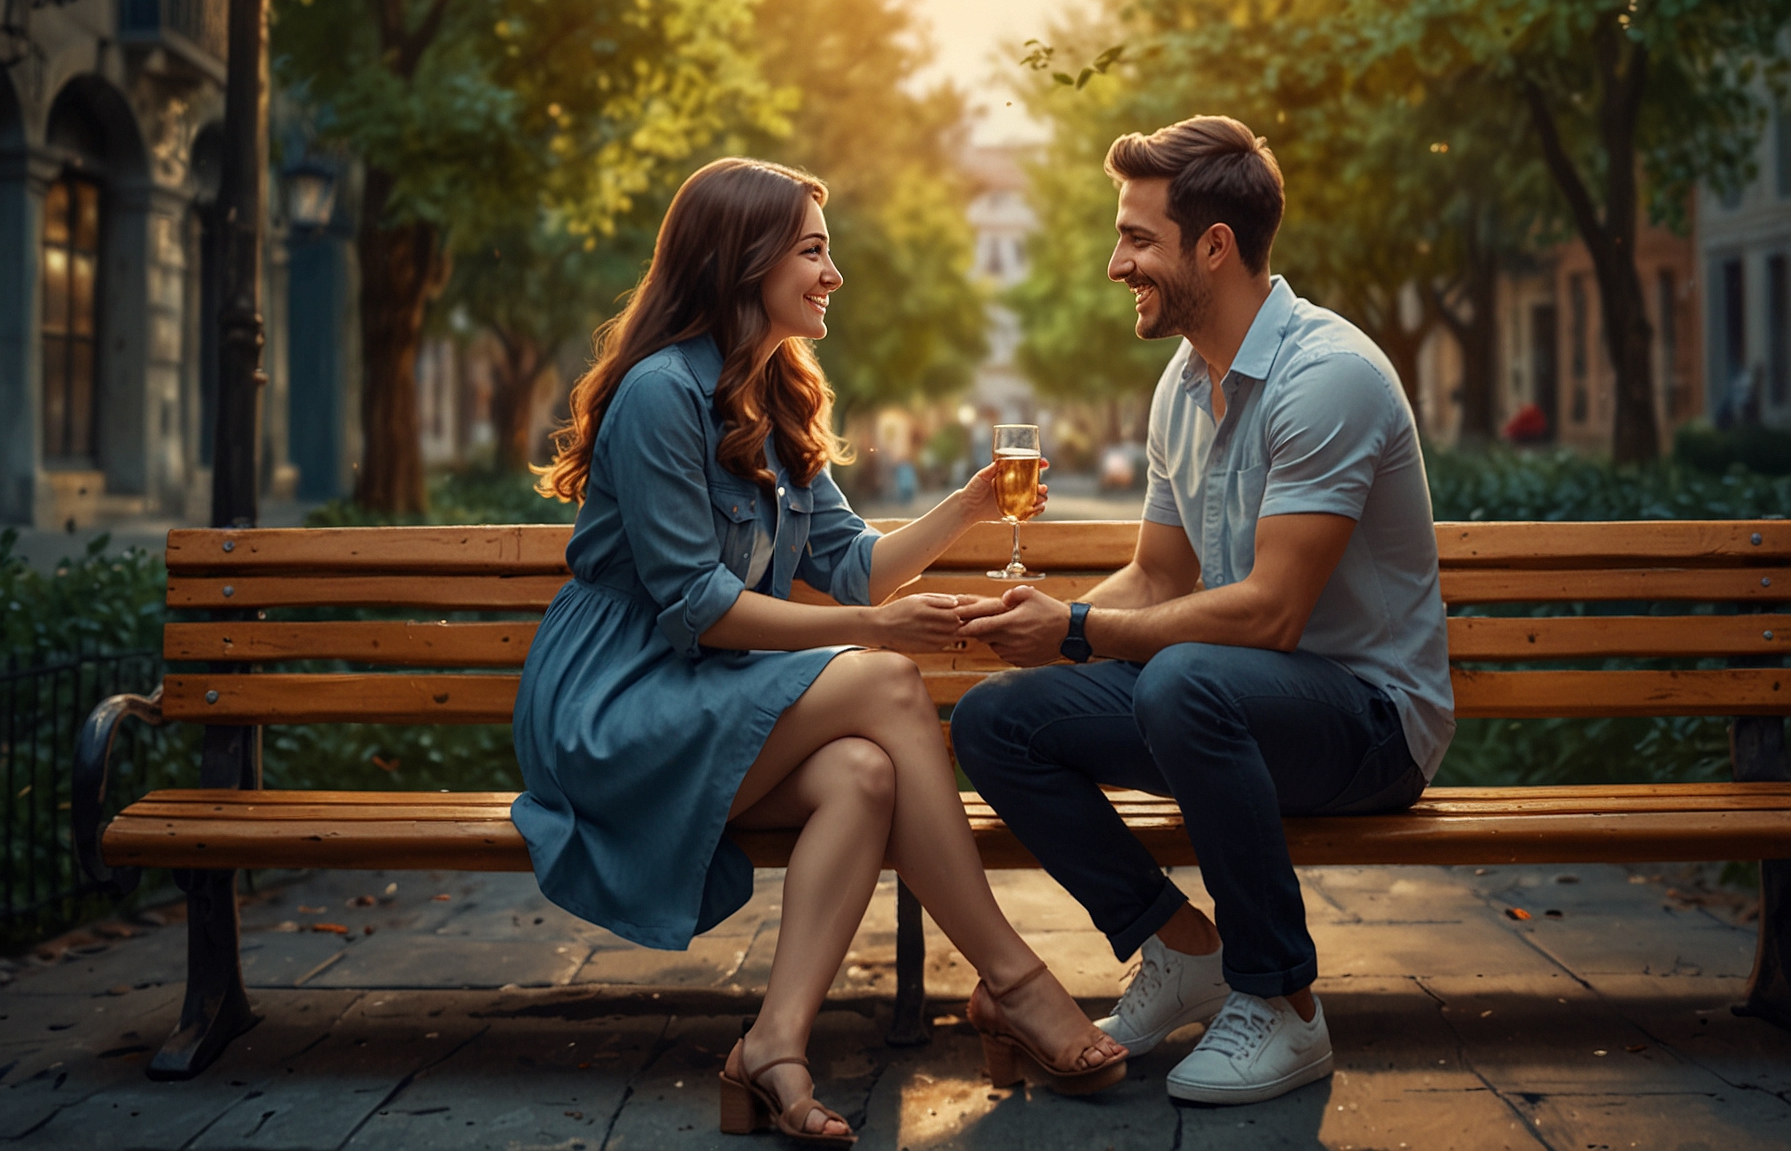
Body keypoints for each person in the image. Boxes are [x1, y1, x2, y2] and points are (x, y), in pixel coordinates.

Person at [513, 158, 1126, 1148]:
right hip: (615, 706)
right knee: (883, 677)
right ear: (740, 260)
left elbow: (853, 569)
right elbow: (703, 610)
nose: (833, 272)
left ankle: (773, 1047)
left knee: (860, 775)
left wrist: (968, 506)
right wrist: (878, 632)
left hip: (703, 699)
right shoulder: (660, 396)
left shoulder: (780, 393)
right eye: (811, 250)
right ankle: (1014, 982)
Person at [950, 116, 1454, 1107]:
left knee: (1186, 681)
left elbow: (1268, 613)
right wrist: (1043, 624)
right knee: (997, 719)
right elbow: (1155, 575)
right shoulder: (1183, 385)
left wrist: (1082, 634)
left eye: (1138, 238)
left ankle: (1282, 1003)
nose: (1114, 263)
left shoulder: (1326, 376)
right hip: (1226, 708)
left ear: (1212, 247)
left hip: (1368, 723)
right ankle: (1180, 948)